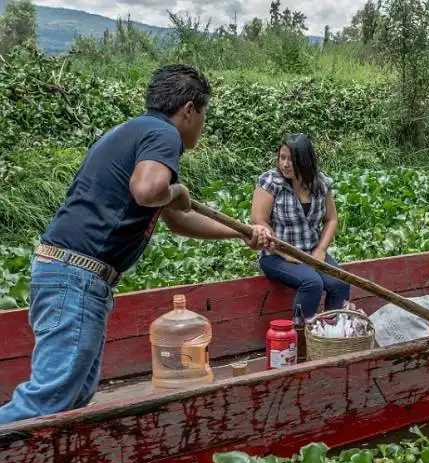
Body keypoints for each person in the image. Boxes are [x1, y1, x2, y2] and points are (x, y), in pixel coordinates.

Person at [0, 65, 273, 425]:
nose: (202, 125)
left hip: (70, 274)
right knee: (48, 400)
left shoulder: (133, 132)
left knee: (74, 396)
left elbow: (178, 220)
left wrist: (241, 232)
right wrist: (176, 190)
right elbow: (147, 191)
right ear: (189, 109)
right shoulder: (163, 134)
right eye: (204, 114)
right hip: (75, 276)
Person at [251, 133, 350, 319]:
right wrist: (284, 251)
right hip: (276, 256)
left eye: (291, 159)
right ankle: (300, 338)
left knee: (340, 284)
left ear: (304, 160)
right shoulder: (271, 182)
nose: (285, 164)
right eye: (282, 158)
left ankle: (331, 335)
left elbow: (331, 219)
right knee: (311, 283)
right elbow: (259, 220)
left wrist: (320, 250)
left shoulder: (320, 183)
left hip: (311, 252)